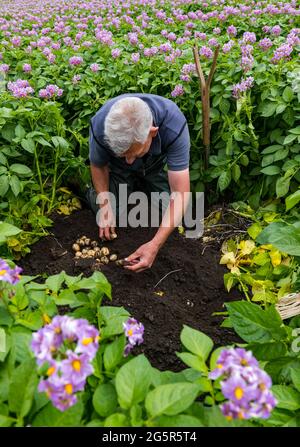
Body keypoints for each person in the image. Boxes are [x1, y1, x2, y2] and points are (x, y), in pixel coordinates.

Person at [87, 93, 190, 272]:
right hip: (117, 169)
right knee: (113, 218)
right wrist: (104, 206)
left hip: (154, 166)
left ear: (152, 132)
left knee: (176, 216)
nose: (129, 160)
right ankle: (93, 192)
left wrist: (155, 245)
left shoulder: (173, 124)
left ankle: (143, 184)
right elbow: (98, 165)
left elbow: (180, 195)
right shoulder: (100, 125)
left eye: (134, 152)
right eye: (124, 154)